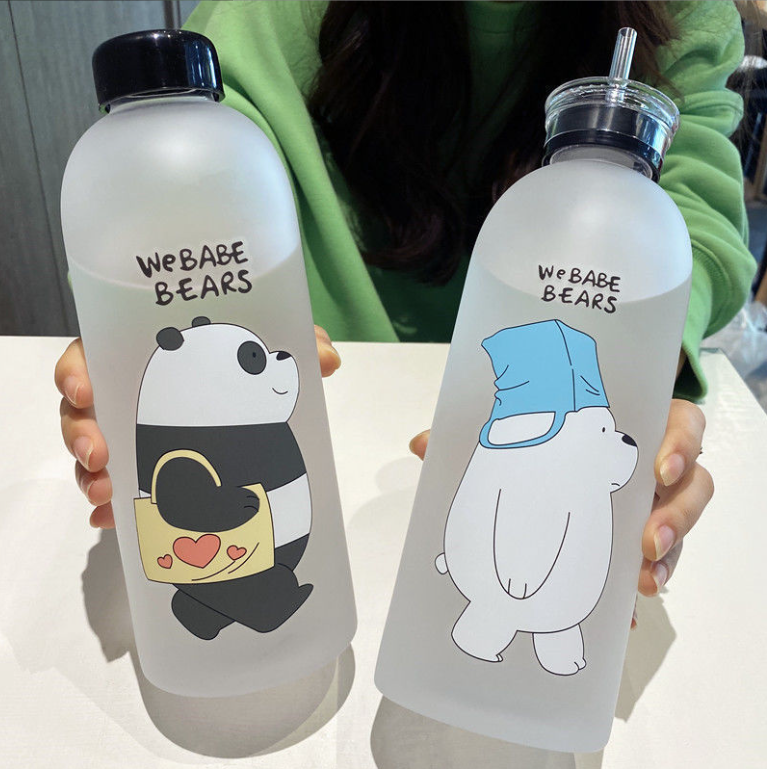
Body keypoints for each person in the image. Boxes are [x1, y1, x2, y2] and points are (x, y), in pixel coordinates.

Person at [56, 1, 753, 620]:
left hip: (537, 425)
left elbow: (696, 210)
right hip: (329, 439)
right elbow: (181, 188)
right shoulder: (262, 18)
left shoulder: (683, 14)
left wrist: (638, 368)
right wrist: (129, 332)